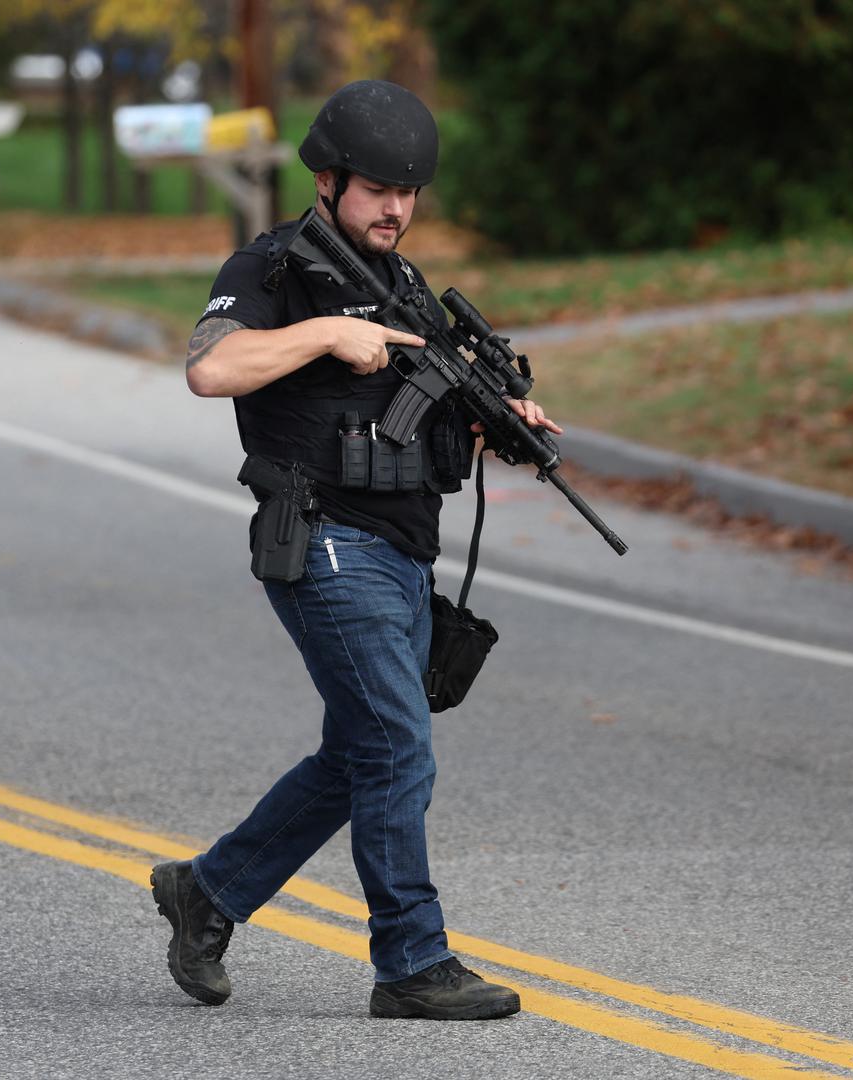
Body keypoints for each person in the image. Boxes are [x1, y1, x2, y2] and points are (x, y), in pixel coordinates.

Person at [151, 80, 558, 1021]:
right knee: (395, 745)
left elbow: (430, 412)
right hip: (326, 543)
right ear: (329, 179)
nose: (397, 208)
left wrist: (500, 420)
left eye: (410, 192)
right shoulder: (271, 271)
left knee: (359, 752)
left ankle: (207, 895)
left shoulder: (406, 286)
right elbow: (211, 367)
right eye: (379, 188)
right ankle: (412, 961)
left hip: (405, 555)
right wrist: (328, 332)